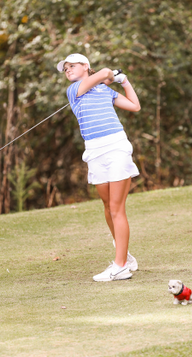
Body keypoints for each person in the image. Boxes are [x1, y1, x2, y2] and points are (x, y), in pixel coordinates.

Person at [57, 53, 141, 282]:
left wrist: (123, 81)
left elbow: (134, 105)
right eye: (65, 69)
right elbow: (104, 73)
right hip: (94, 151)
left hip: (116, 147)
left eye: (72, 66)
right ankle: (124, 256)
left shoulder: (106, 91)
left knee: (117, 208)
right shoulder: (74, 91)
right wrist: (110, 76)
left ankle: (120, 266)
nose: (68, 70)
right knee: (107, 206)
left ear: (86, 66)